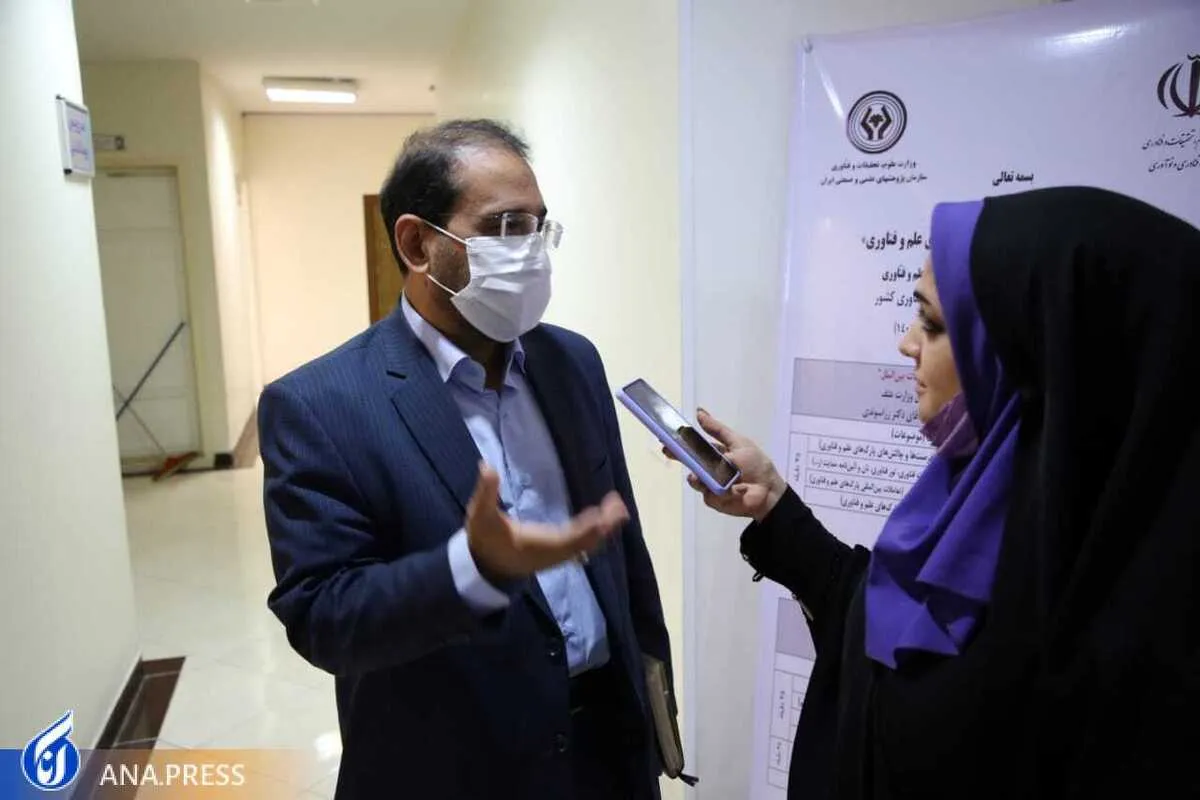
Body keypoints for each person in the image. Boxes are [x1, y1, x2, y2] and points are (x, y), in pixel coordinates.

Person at [684, 187, 1199, 799]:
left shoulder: (1142, 643)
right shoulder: (990, 494)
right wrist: (774, 504)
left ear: (1032, 350)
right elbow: (883, 627)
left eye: (931, 322)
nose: (907, 343)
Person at [258, 119, 675, 800]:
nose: (531, 249)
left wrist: (652, 707)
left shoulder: (572, 361)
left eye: (538, 226)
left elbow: (624, 561)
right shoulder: (319, 405)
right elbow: (325, 618)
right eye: (505, 226)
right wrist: (471, 570)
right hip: (455, 769)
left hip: (606, 752)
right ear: (417, 243)